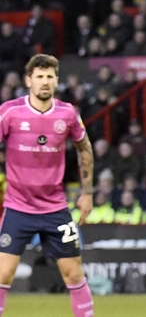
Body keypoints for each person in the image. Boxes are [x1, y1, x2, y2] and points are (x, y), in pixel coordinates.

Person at [0, 54, 94, 316]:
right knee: (3, 273)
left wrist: (87, 193)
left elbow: (84, 150)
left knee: (73, 272)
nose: (45, 82)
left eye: (50, 77)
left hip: (55, 208)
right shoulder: (10, 112)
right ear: (28, 80)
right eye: (39, 77)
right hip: (18, 207)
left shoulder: (68, 113)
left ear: (56, 81)